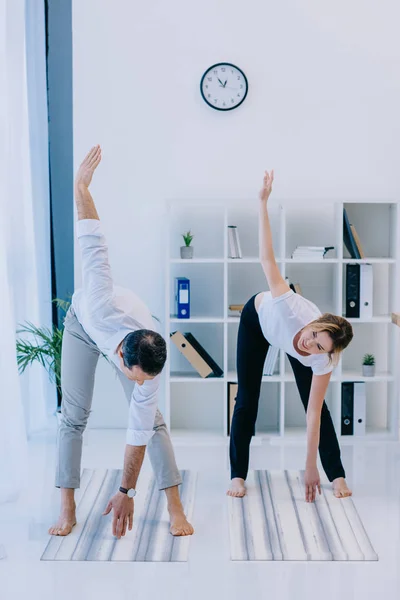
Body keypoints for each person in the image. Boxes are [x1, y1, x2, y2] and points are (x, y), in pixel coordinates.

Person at [49, 146, 194, 539]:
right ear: (121, 358)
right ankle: (67, 507)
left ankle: (175, 506)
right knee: (73, 416)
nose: (141, 384)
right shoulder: (98, 300)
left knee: (154, 421)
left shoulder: (149, 364)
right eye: (137, 378)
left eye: (146, 379)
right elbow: (93, 241)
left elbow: (138, 430)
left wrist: (126, 491)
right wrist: (82, 187)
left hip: (119, 335)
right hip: (83, 326)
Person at [227, 170, 354, 503]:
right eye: (314, 336)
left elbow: (312, 414)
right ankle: (237, 474)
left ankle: (336, 472)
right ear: (315, 323)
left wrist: (309, 466)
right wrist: (262, 202)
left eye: (318, 347)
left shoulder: (321, 358)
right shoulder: (289, 306)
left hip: (281, 336)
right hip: (258, 322)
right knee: (246, 401)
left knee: (318, 408)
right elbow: (266, 258)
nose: (308, 345)